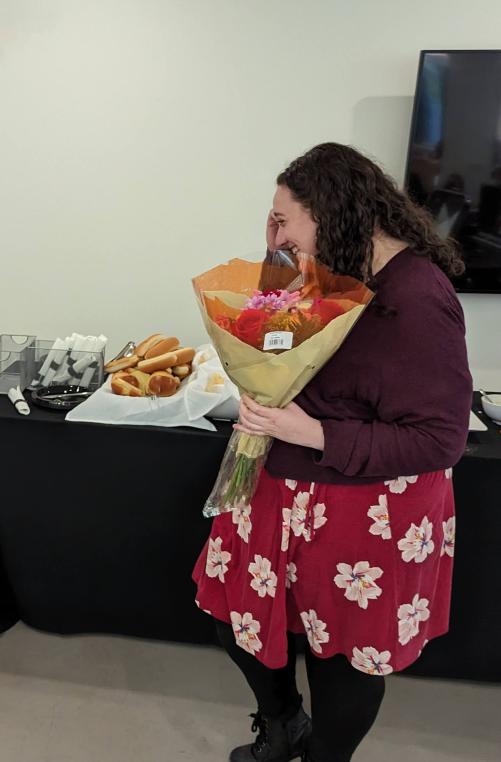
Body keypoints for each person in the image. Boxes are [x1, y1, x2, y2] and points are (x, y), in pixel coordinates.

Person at [193, 143, 472, 762]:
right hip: (279, 488)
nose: (280, 229)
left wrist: (313, 433)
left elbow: (442, 438)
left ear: (331, 212)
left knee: (340, 657)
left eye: (286, 218)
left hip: (363, 514)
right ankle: (285, 722)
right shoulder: (330, 267)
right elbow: (278, 337)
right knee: (235, 621)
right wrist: (274, 256)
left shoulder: (419, 296)